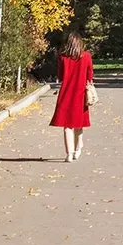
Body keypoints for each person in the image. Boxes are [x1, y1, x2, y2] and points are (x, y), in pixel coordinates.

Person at [49, 31, 94, 161]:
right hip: (81, 95)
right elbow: (90, 76)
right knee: (79, 123)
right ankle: (78, 148)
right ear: (80, 43)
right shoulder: (86, 56)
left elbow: (61, 76)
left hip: (66, 93)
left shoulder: (63, 58)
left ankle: (69, 153)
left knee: (67, 125)